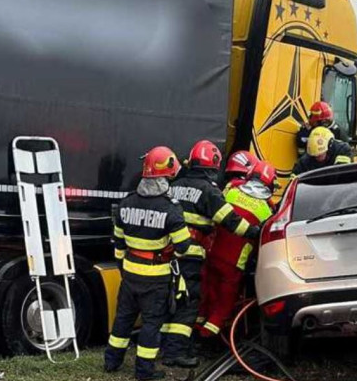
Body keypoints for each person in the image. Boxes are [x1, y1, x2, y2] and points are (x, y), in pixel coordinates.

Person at [161, 140, 260, 368]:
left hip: (166, 253)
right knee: (189, 303)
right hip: (190, 255)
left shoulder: (174, 184)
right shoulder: (209, 190)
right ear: (213, 166)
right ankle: (176, 352)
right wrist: (256, 231)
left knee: (167, 301)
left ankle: (164, 346)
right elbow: (230, 221)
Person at [104, 146, 192, 380]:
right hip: (156, 277)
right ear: (167, 174)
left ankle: (111, 362)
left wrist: (125, 268)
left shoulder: (126, 203)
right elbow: (183, 246)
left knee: (123, 319)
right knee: (152, 324)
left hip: (130, 273)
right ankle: (144, 371)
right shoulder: (170, 208)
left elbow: (119, 245)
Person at [197, 151, 276, 338]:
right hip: (234, 263)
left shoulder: (231, 191)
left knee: (207, 291)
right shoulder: (267, 210)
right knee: (225, 300)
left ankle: (197, 327)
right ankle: (210, 336)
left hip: (212, 253)